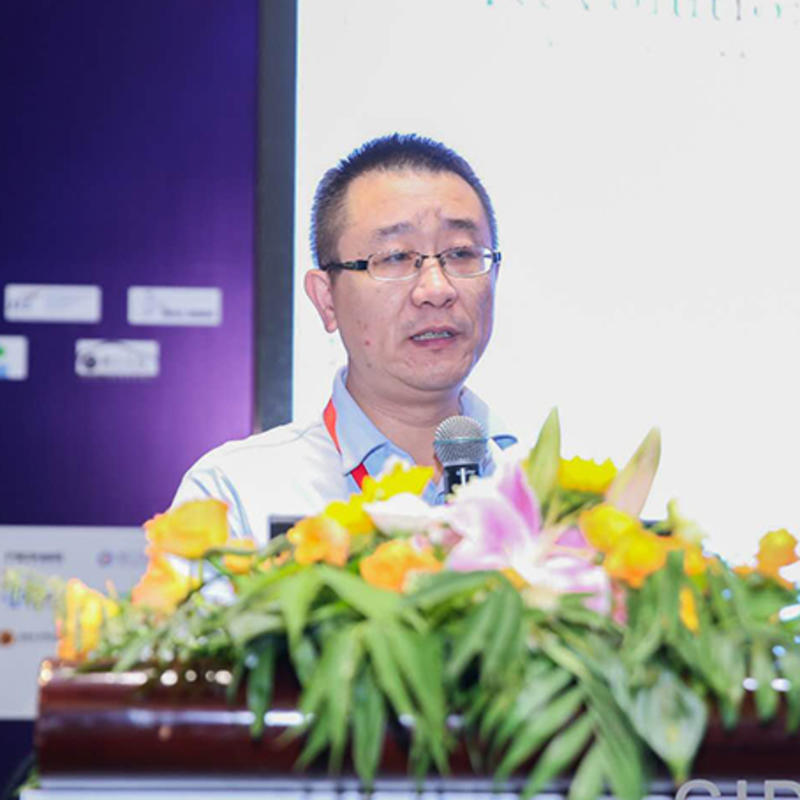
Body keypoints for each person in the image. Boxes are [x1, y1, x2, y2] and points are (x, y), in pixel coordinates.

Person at [171, 134, 517, 541]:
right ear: (326, 300)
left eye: (461, 254)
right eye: (395, 257)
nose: (436, 289)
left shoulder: (550, 501)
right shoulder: (234, 495)